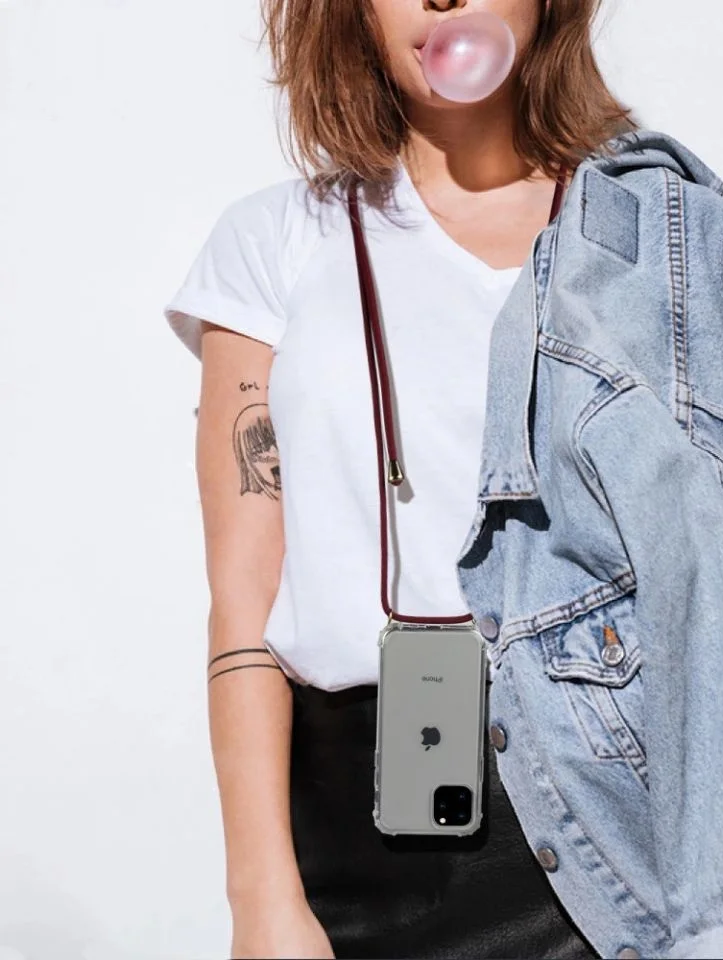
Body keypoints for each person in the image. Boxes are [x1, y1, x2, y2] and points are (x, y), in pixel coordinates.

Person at [163, 1, 637, 957]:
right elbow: (244, 597)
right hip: (354, 838)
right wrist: (260, 896)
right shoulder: (275, 239)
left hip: (612, 825)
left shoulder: (646, 236)